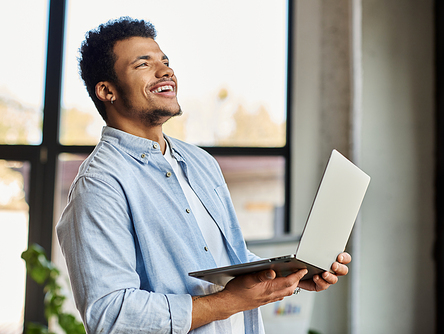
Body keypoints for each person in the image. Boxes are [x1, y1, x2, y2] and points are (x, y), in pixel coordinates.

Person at [56, 16, 351, 334]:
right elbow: (111, 317)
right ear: (106, 90)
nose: (165, 71)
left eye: (165, 62)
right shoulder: (99, 185)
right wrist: (230, 303)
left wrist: (290, 275)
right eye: (144, 64)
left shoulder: (200, 162)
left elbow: (226, 258)